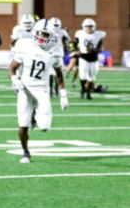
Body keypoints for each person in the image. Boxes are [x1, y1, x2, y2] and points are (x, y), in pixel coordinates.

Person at [9, 19, 69, 164]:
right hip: (25, 89)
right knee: (22, 126)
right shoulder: (24, 45)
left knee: (45, 127)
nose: (42, 37)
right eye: (39, 34)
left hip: (42, 90)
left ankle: (35, 115)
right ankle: (25, 152)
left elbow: (59, 75)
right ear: (34, 33)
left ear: (51, 36)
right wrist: (15, 80)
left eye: (45, 35)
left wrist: (63, 95)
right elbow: (12, 68)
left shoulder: (55, 51)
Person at [74, 18, 106, 100]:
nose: (89, 28)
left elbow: (101, 46)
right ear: (83, 26)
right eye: (87, 26)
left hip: (94, 57)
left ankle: (88, 92)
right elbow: (74, 43)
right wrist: (76, 50)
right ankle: (83, 89)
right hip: (83, 57)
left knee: (92, 77)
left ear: (94, 26)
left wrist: (95, 50)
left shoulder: (98, 34)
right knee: (83, 76)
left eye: (90, 26)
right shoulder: (79, 33)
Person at [48, 17, 70, 97]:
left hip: (59, 54)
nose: (56, 26)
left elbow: (66, 41)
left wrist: (67, 48)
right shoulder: (47, 31)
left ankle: (56, 89)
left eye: (57, 25)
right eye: (55, 25)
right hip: (50, 54)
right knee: (50, 74)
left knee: (57, 73)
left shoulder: (62, 32)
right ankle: (50, 89)